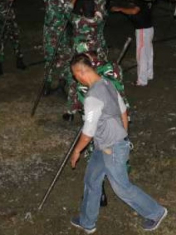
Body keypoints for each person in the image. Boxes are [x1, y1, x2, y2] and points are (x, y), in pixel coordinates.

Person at [68, 54, 167, 233]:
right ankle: (87, 221)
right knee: (92, 180)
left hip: (111, 148)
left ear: (80, 72)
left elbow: (88, 132)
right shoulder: (107, 83)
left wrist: (76, 152)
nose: (76, 79)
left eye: (75, 75)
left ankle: (156, 212)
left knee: (122, 188)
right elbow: (123, 112)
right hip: (103, 146)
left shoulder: (92, 97)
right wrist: (123, 134)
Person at [41, 0, 81, 96]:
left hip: (48, 35)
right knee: (66, 59)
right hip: (60, 35)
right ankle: (61, 85)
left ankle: (47, 85)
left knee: (49, 61)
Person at [111, 0, 154, 87]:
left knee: (141, 55)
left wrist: (120, 9)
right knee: (148, 52)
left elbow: (134, 11)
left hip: (142, 30)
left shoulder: (140, 0)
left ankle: (142, 80)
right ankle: (149, 75)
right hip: (149, 28)